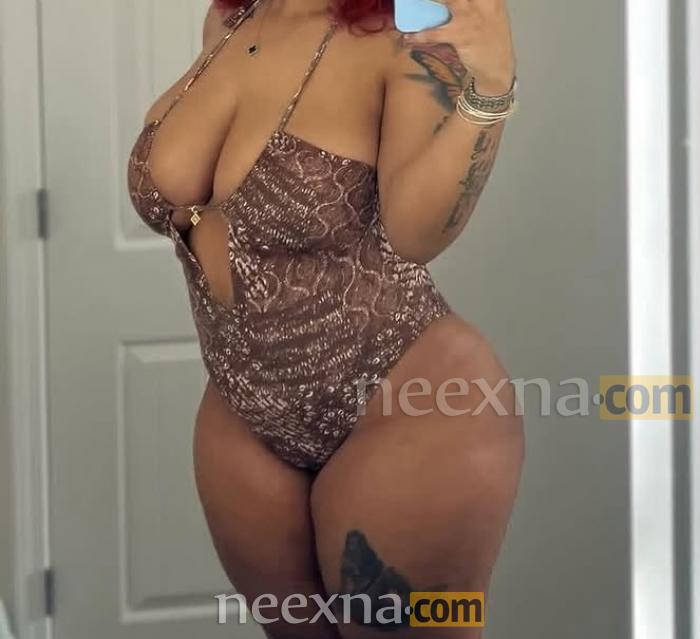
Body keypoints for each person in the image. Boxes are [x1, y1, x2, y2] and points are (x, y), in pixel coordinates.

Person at [127, 0, 524, 636]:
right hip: (243, 410)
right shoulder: (232, 20)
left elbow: (417, 234)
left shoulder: (405, 37)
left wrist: (491, 89)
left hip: (410, 402)